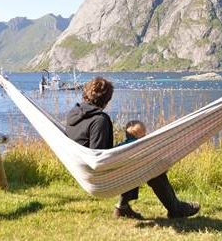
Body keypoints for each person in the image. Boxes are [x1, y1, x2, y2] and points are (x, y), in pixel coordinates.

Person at [65, 77, 200, 219]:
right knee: (152, 165)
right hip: (97, 177)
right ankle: (176, 209)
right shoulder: (99, 120)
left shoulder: (73, 114)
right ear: (107, 100)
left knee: (138, 158)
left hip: (82, 171)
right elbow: (98, 157)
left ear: (86, 93)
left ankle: (123, 207)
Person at [114, 120, 147, 219]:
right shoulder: (138, 145)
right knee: (132, 182)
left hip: (120, 172)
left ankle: (122, 207)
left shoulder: (121, 145)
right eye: (144, 134)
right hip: (131, 173)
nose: (146, 136)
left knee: (128, 186)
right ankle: (121, 207)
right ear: (137, 135)